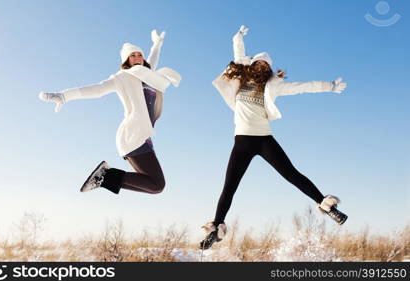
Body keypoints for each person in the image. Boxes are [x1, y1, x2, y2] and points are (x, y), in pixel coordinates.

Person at [199, 25, 348, 250]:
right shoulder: (240, 81)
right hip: (242, 141)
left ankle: (326, 206)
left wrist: (330, 86)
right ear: (252, 65)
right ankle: (216, 227)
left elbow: (303, 87)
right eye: (259, 62)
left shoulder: (273, 87)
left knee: (291, 174)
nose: (262, 66)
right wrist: (238, 37)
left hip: (264, 139)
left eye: (266, 64)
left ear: (269, 70)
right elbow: (238, 55)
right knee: (229, 186)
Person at [39, 30, 181, 195]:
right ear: (126, 60)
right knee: (157, 184)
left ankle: (105, 177)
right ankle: (104, 175)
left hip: (142, 136)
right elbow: (97, 89)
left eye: (139, 55)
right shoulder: (122, 77)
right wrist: (64, 96)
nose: (137, 58)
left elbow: (153, 60)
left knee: (155, 186)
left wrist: (157, 44)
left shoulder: (147, 76)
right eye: (132, 55)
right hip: (132, 135)